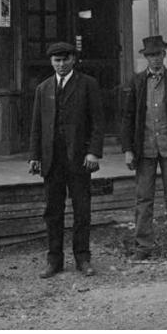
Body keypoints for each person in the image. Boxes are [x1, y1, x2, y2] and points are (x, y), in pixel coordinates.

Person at [29, 41, 105, 278]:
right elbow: (37, 126)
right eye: (56, 60)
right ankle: (55, 260)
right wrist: (35, 156)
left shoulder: (87, 85)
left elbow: (98, 122)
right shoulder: (44, 88)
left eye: (65, 60)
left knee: (82, 209)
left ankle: (82, 257)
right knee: (53, 210)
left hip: (79, 159)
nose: (61, 65)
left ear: (73, 60)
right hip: (52, 160)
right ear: (51, 62)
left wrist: (93, 152)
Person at [121, 35, 167, 260]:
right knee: (144, 198)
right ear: (145, 57)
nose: (154, 59)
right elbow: (128, 117)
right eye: (150, 55)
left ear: (164, 55)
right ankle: (143, 246)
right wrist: (128, 149)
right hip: (144, 149)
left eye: (158, 54)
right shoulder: (136, 82)